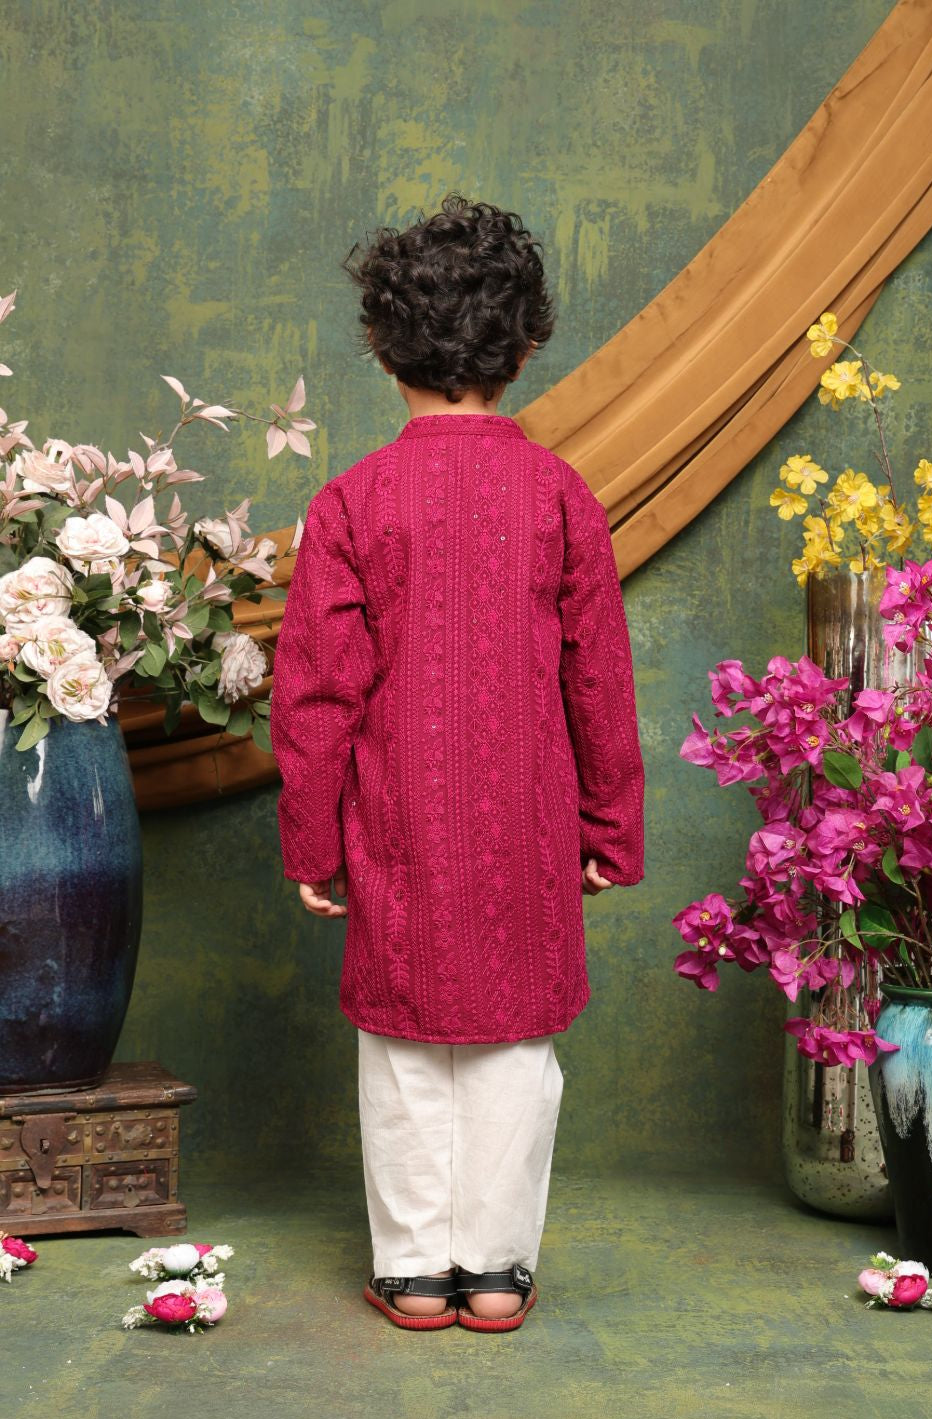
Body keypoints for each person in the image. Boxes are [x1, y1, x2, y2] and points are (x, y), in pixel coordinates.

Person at [270, 193, 645, 1333]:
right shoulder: (562, 498)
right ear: (527, 345)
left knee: (402, 1051)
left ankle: (413, 1272)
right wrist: (608, 831)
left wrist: (313, 840)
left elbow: (316, 693)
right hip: (528, 826)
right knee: (513, 1056)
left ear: (385, 350)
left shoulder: (350, 503)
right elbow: (600, 684)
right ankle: (494, 1270)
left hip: (395, 821)